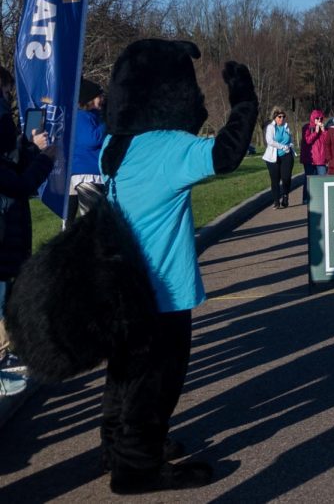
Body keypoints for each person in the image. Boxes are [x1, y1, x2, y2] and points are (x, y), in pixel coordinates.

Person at [99, 41, 258, 493]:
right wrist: (244, 100)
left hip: (122, 286)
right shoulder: (169, 147)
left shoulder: (115, 146)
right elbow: (226, 154)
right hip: (163, 289)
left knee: (123, 373)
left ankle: (115, 445)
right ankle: (136, 465)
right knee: (158, 380)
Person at [0, 66, 55, 396]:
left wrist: (31, 147)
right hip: (5, 228)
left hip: (9, 227)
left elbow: (13, 167)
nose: (7, 100)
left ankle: (10, 352)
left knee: (7, 293)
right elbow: (18, 184)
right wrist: (45, 160)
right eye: (5, 93)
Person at [67, 78, 106, 223]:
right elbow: (91, 139)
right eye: (99, 96)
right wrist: (106, 123)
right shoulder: (81, 117)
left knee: (97, 216)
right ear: (89, 98)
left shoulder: (93, 116)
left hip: (94, 172)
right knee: (92, 218)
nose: (102, 99)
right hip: (86, 174)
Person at [262, 106, 294, 209]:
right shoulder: (271, 127)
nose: (282, 119)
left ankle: (285, 196)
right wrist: (282, 146)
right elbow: (270, 141)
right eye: (279, 117)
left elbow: (290, 138)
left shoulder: (286, 126)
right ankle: (276, 202)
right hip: (273, 157)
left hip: (286, 155)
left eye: (283, 117)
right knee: (275, 180)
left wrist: (290, 145)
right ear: (275, 117)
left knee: (286, 178)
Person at [300, 110, 327, 204]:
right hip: (309, 159)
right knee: (308, 179)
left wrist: (323, 131)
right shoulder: (306, 128)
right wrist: (315, 132)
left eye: (321, 118)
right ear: (313, 118)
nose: (319, 120)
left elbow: (327, 141)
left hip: (320, 158)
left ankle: (322, 198)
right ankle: (306, 198)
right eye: (317, 118)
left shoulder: (323, 128)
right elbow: (307, 140)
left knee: (323, 178)